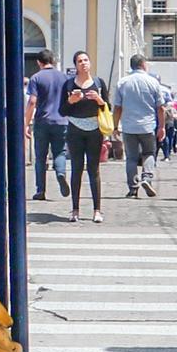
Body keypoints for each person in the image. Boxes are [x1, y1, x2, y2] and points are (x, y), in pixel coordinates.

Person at [59, 51, 109, 223]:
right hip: (75, 129)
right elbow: (62, 111)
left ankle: (97, 210)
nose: (83, 63)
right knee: (76, 168)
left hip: (95, 130)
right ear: (75, 65)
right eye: (80, 61)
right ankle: (75, 209)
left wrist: (99, 100)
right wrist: (71, 101)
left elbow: (106, 107)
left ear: (90, 63)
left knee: (93, 170)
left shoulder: (98, 82)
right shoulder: (68, 85)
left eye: (86, 60)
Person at [114, 56, 171, 198]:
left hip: (128, 127)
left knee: (131, 158)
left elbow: (117, 107)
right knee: (149, 153)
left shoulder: (122, 82)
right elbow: (161, 108)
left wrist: (115, 126)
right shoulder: (153, 82)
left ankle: (133, 188)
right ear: (144, 65)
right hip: (147, 126)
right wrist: (161, 127)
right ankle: (146, 178)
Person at [25, 51, 69, 201]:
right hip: (62, 120)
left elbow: (32, 101)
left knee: (40, 157)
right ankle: (61, 173)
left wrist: (26, 123)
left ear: (39, 62)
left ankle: (40, 190)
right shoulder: (64, 77)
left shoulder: (36, 78)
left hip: (42, 121)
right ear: (53, 61)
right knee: (60, 152)